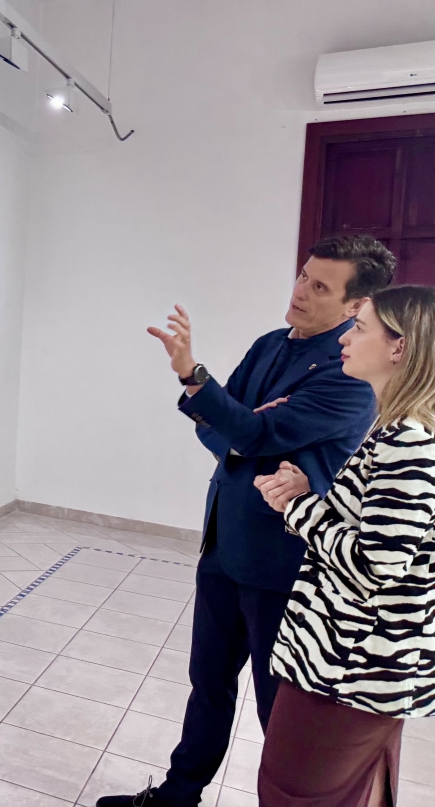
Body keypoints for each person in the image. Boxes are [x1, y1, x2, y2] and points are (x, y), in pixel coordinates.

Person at [97, 235, 396, 807]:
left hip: (281, 564)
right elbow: (221, 425)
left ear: (355, 304)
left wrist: (200, 382)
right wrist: (235, 426)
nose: (300, 291)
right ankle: (178, 795)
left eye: (321, 286)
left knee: (275, 708)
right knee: (207, 685)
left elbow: (246, 427)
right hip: (223, 544)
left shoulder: (349, 373)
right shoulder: (268, 344)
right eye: (303, 275)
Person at [252, 285, 435, 807]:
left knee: (293, 791)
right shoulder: (398, 426)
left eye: (360, 327)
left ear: (399, 347)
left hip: (349, 664)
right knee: (356, 789)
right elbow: (380, 528)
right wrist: (312, 496)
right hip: (367, 663)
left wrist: (297, 508)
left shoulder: (408, 440)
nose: (344, 339)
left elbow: (378, 564)